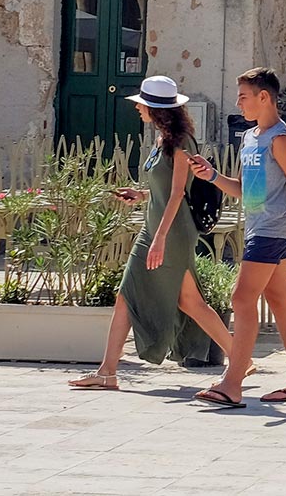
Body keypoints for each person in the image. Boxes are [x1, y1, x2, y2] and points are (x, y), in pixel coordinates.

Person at [67, 75, 234, 390]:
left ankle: (107, 372)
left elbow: (177, 194)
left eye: (141, 104)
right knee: (188, 301)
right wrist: (141, 195)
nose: (137, 109)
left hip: (168, 231)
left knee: (133, 297)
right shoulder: (162, 140)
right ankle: (242, 359)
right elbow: (162, 189)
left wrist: (158, 239)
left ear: (155, 108)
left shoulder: (182, 142)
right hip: (157, 226)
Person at [187, 67, 286, 408]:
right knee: (280, 302)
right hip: (258, 227)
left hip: (272, 230)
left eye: (243, 96)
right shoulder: (250, 139)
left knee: (241, 298)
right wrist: (212, 175)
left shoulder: (282, 139)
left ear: (264, 97)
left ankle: (232, 384)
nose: (238, 103)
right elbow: (243, 191)